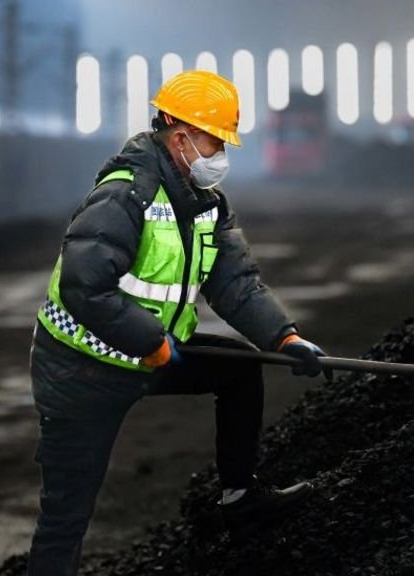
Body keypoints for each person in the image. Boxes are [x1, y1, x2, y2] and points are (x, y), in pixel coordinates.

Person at [27, 70, 328, 575]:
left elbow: (235, 283)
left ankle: (240, 498)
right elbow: (85, 284)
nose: (221, 156)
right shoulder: (126, 194)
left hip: (148, 352)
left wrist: (286, 336)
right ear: (182, 136)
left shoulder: (204, 201)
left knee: (239, 368)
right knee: (67, 515)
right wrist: (151, 341)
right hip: (81, 370)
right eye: (215, 142)